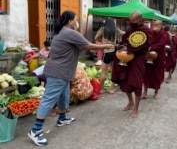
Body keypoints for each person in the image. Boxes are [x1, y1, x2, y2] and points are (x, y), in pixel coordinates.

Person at [28, 10, 113, 146]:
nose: (76, 22)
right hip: (58, 72)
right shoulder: (69, 32)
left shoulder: (61, 32)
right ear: (69, 21)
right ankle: (35, 130)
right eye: (75, 19)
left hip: (61, 71)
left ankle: (62, 118)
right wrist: (107, 46)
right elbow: (87, 46)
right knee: (49, 99)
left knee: (63, 95)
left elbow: (80, 47)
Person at [111, 11, 151, 118]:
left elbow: (145, 45)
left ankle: (136, 109)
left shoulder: (146, 30)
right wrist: (119, 45)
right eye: (130, 20)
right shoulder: (130, 30)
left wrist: (128, 48)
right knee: (125, 81)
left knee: (137, 82)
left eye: (133, 20)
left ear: (140, 20)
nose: (131, 22)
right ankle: (130, 101)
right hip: (127, 59)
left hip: (138, 59)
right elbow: (125, 41)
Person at [94, 17, 124, 94]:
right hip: (115, 52)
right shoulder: (116, 29)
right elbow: (124, 33)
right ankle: (112, 89)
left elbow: (96, 38)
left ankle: (100, 89)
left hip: (107, 52)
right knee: (113, 71)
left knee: (103, 72)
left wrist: (101, 43)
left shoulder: (102, 29)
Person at [141, 20, 169, 99]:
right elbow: (147, 41)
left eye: (156, 25)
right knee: (146, 74)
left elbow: (161, 44)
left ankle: (156, 92)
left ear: (161, 25)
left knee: (158, 74)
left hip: (158, 57)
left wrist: (151, 47)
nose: (154, 26)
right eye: (154, 24)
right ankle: (145, 92)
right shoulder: (150, 33)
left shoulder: (164, 34)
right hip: (148, 56)